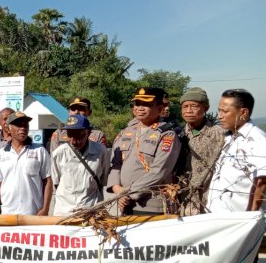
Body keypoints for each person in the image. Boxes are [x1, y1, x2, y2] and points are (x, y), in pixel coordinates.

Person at [107, 88, 181, 215]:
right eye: (137, 104)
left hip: (151, 206)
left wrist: (129, 193)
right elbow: (115, 164)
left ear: (159, 109)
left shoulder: (167, 135)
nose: (140, 108)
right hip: (124, 203)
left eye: (147, 104)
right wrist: (117, 190)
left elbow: (159, 171)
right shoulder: (126, 132)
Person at [207, 89, 266, 213]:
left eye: (225, 111)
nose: (220, 116)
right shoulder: (230, 138)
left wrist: (251, 216)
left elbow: (262, 180)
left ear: (243, 112)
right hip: (219, 215)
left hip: (239, 221)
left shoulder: (257, 140)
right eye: (219, 110)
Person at [0, 112, 52, 216]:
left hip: (33, 212)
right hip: (8, 212)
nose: (23, 128)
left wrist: (45, 209)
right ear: (8, 128)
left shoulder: (40, 150)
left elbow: (47, 181)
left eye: (25, 125)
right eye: (18, 125)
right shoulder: (1, 154)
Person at [176, 87, 225, 215]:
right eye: (185, 106)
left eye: (194, 106)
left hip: (211, 196)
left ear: (205, 108)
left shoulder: (219, 134)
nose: (188, 111)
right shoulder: (177, 135)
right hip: (183, 197)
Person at [51, 114, 110, 216]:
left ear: (88, 133)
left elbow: (103, 179)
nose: (74, 141)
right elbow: (56, 182)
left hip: (92, 209)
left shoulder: (101, 151)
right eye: (70, 135)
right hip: (64, 211)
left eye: (79, 135)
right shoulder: (59, 153)